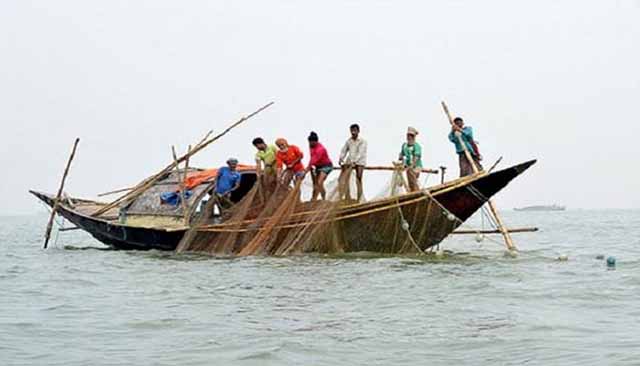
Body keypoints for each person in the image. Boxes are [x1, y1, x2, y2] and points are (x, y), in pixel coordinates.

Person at [338, 123, 367, 201]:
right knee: (346, 178)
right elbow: (344, 150)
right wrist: (341, 158)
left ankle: (359, 198)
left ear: (358, 131)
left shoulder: (362, 141)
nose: (353, 132)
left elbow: (360, 153)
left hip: (360, 161)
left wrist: (354, 161)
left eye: (355, 130)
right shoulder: (349, 141)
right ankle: (348, 196)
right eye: (352, 131)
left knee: (359, 178)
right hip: (350, 160)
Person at [305, 132, 333, 201]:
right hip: (318, 167)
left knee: (319, 182)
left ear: (316, 142)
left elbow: (313, 160)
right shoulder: (311, 146)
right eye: (309, 142)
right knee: (316, 184)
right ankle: (314, 198)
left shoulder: (320, 149)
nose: (310, 144)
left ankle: (324, 198)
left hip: (326, 166)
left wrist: (305, 171)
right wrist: (311, 168)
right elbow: (312, 157)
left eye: (311, 142)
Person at [398, 127, 423, 192]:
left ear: (414, 137)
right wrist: (400, 157)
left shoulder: (417, 146)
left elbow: (416, 157)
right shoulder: (405, 146)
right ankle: (412, 191)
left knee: (413, 177)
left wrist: (412, 165)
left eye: (411, 136)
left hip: (417, 167)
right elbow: (401, 154)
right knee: (410, 181)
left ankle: (416, 191)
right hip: (408, 167)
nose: (410, 137)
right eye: (408, 136)